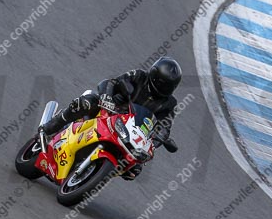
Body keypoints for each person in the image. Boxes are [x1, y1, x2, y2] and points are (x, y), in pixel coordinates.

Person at [38, 57, 181, 180]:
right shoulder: (139, 76)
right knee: (86, 102)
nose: (165, 88)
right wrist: (106, 97)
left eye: (169, 86)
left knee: (134, 169)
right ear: (154, 76)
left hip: (132, 133)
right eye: (163, 84)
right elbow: (112, 82)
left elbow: (165, 127)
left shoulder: (169, 104)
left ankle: (93, 174)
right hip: (110, 111)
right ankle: (51, 127)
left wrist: (157, 140)